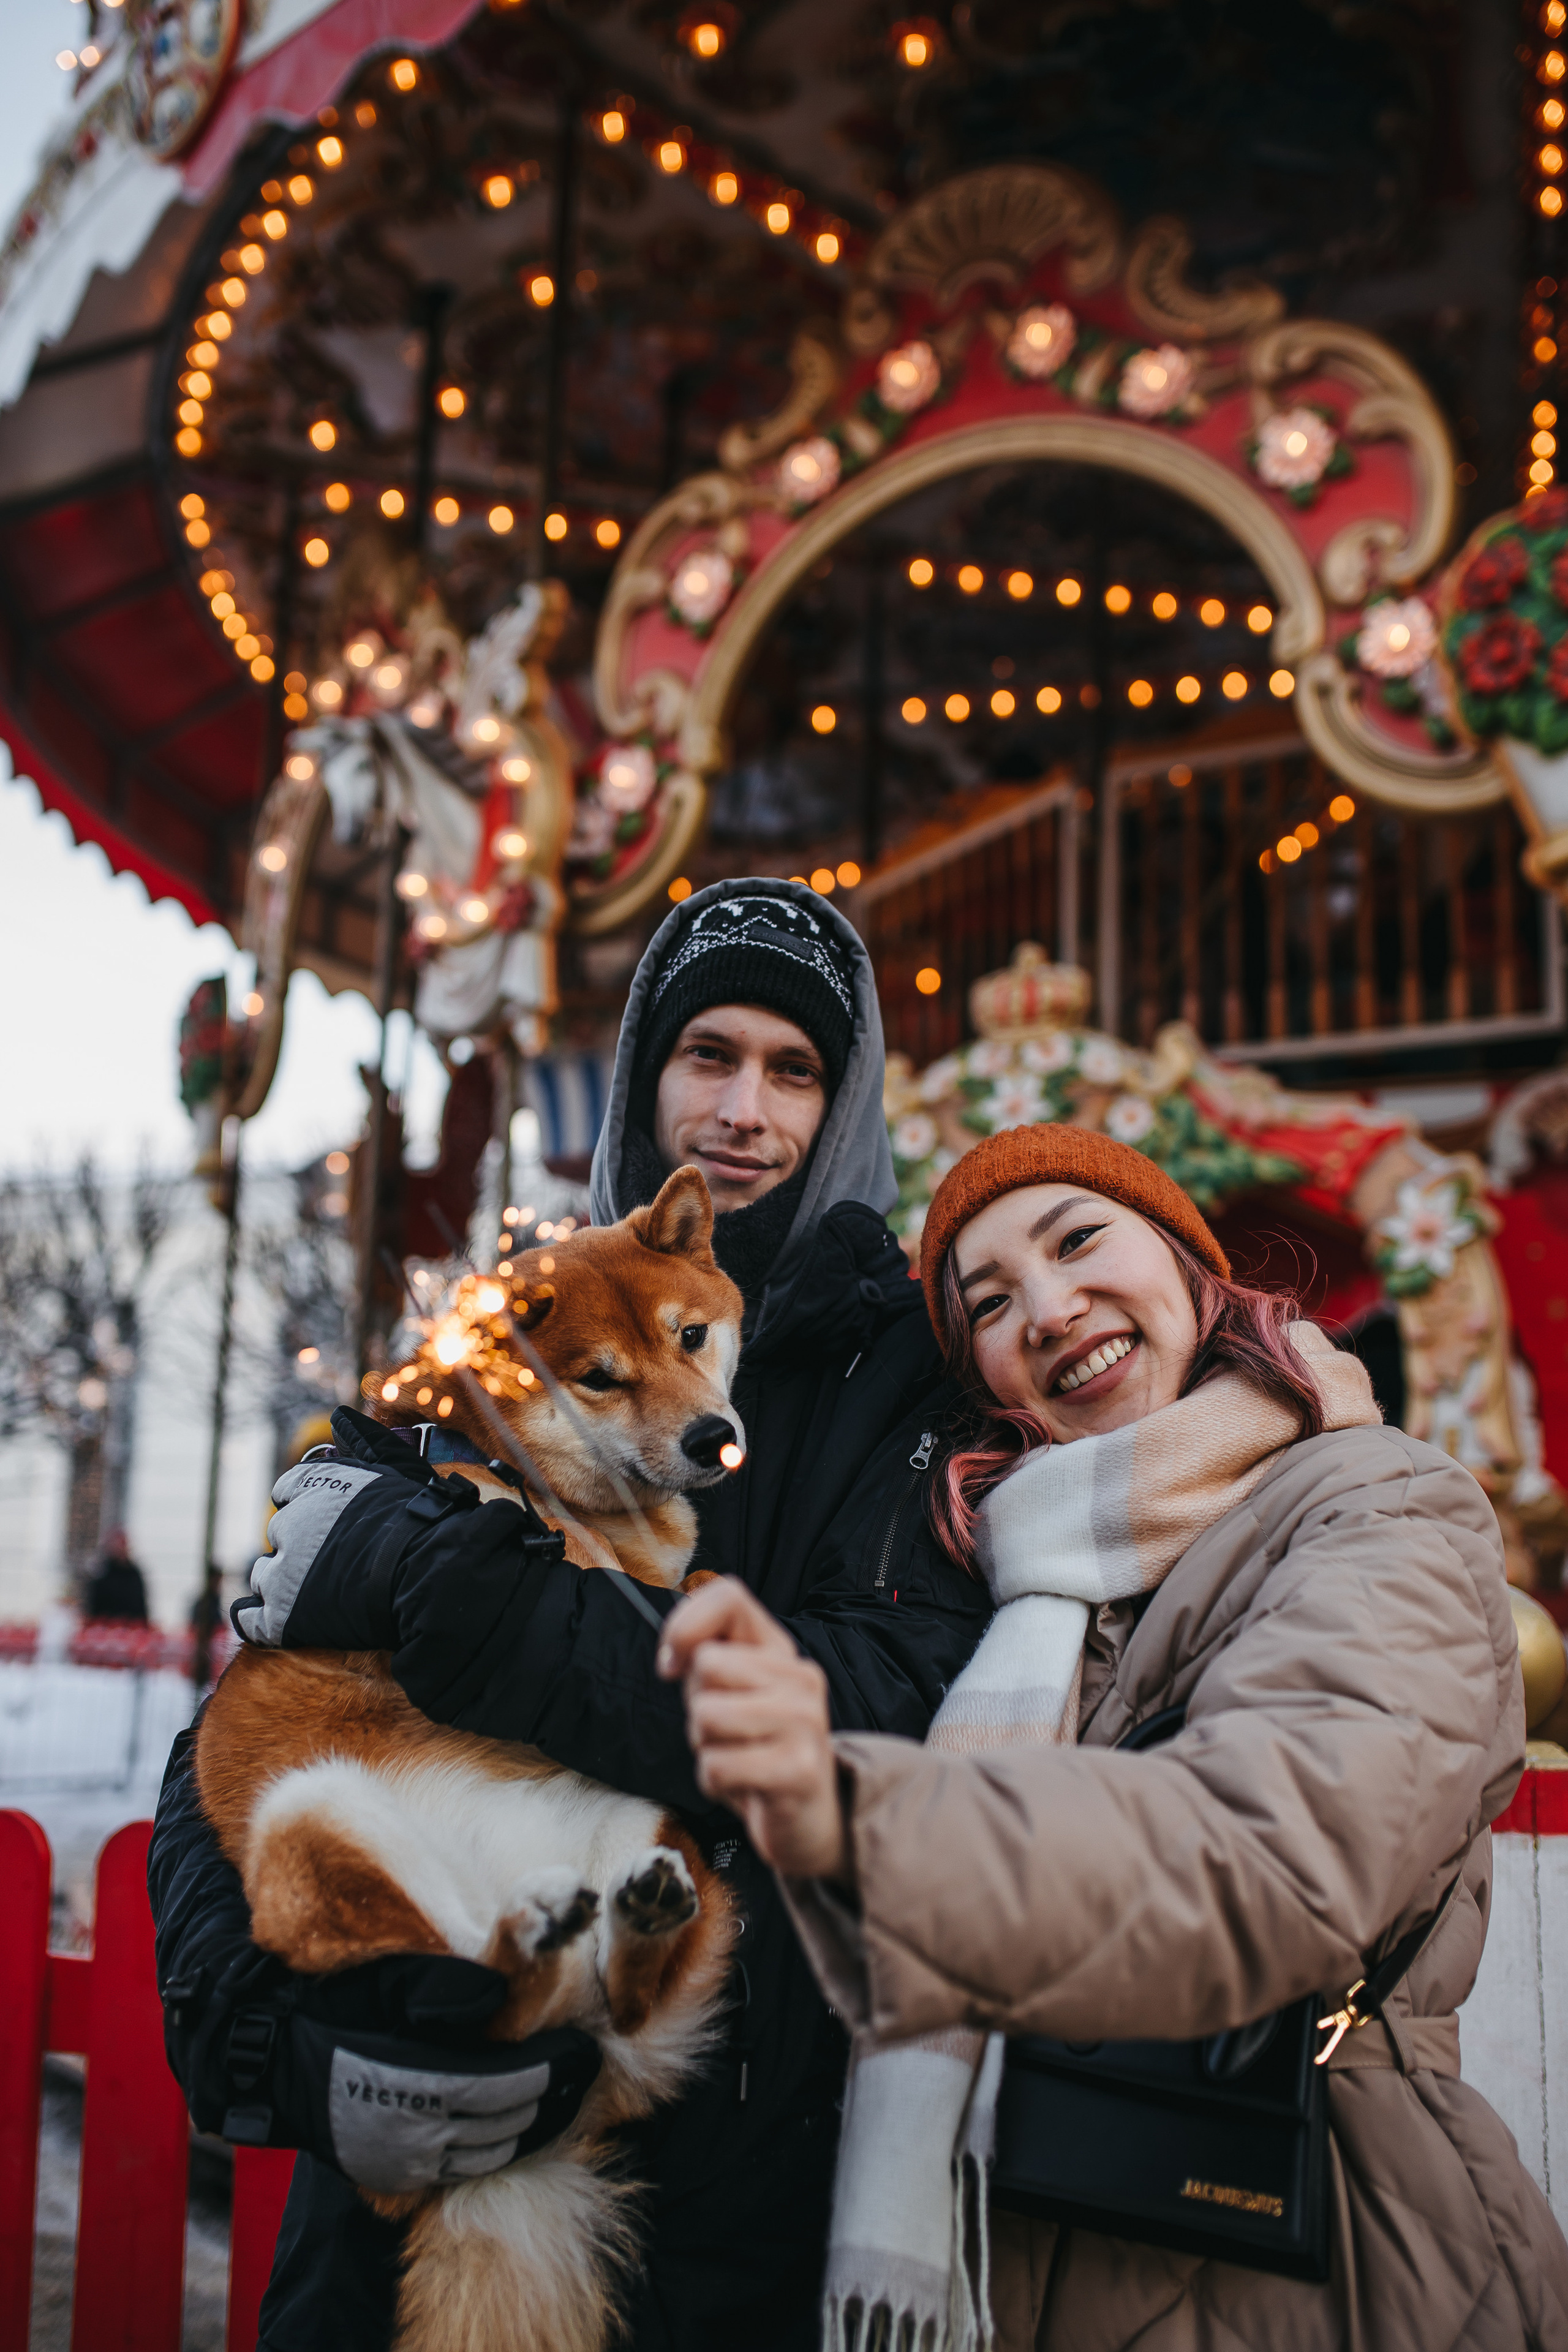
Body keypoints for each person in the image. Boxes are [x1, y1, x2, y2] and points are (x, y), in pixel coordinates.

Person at [148, 880, 990, 2352]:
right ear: (642, 1078)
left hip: (733, 2176)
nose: (741, 1107)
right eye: (705, 1055)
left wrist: (444, 1582)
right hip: (410, 2135)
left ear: (842, 1101)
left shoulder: (909, 1384)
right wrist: (267, 2034)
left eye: (793, 1069)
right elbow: (254, 1712)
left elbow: (870, 1703)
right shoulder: (483, 1340)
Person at [662, 1123, 1568, 2351]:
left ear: (1189, 1264)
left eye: (1078, 1238)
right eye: (987, 1303)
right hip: (1036, 2241)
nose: (1046, 1306)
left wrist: (860, 1813)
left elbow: (1278, 1852)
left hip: (1316, 2244)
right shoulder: (1020, 1579)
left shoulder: (1374, 1502)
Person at [82, 1525, 149, 1622]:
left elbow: (141, 1605)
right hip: (105, 1626)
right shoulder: (102, 1571)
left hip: (131, 1626)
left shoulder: (134, 1572)